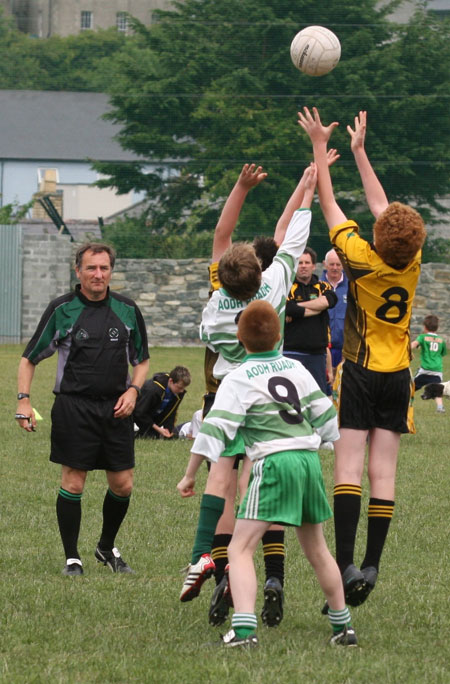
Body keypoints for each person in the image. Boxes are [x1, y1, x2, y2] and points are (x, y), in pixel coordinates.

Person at [298, 107, 426, 607]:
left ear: (377, 237)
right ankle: (372, 565)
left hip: (361, 372)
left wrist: (319, 146)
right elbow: (384, 209)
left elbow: (329, 202)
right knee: (384, 474)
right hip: (399, 375)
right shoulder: (411, 258)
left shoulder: (361, 260)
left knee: (347, 467)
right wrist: (358, 150)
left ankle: (346, 561)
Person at [177, 162, 318, 608]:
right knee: (263, 488)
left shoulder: (214, 311)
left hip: (227, 394)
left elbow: (223, 232)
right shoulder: (274, 289)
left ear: (224, 273)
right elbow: (289, 235)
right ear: (261, 271)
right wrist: (308, 188)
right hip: (267, 396)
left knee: (223, 484)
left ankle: (211, 560)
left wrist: (239, 186)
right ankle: (272, 577)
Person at [183, 300, 357, 648]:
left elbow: (213, 433)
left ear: (240, 339)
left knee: (240, 548)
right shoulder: (296, 368)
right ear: (280, 336)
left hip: (274, 464)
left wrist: (189, 475)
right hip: (307, 463)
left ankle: (244, 631)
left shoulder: (237, 378)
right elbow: (326, 420)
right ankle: (343, 627)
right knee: (318, 550)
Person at [15, 242, 149, 576]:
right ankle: (72, 557)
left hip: (117, 409)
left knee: (123, 484)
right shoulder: (62, 309)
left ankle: (105, 546)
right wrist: (24, 400)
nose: (98, 274)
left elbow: (142, 360)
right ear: (78, 271)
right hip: (74, 407)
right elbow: (29, 358)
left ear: (111, 272)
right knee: (74, 483)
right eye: (91, 268)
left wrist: (134, 390)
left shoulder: (127, 309)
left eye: (104, 268)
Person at [283, 246, 338, 394]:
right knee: (293, 398)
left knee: (317, 400)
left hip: (317, 355)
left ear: (314, 266)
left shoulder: (323, 286)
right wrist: (317, 308)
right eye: (300, 263)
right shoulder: (287, 288)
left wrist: (298, 308)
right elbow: (288, 309)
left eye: (307, 263)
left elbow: (329, 301)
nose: (303, 266)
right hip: (291, 353)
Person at [133, 366, 191, 438]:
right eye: (179, 387)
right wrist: (158, 429)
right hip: (136, 419)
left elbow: (171, 413)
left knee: (164, 436)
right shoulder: (152, 390)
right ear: (171, 381)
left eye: (183, 388)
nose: (182, 391)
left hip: (152, 421)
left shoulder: (178, 393)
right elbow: (139, 413)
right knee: (145, 435)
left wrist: (169, 431)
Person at [411, 315, 447, 413]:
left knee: (411, 387)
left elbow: (414, 344)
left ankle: (404, 403)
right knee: (436, 390)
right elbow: (443, 353)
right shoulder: (441, 340)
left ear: (425, 327)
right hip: (437, 371)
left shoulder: (422, 337)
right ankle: (440, 407)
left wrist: (406, 350)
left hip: (425, 370)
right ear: (437, 327)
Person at [321, 248, 348, 371]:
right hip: (323, 348)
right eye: (331, 264)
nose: (335, 268)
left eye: (338, 264)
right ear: (325, 264)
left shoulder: (352, 286)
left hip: (345, 349)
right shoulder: (317, 285)